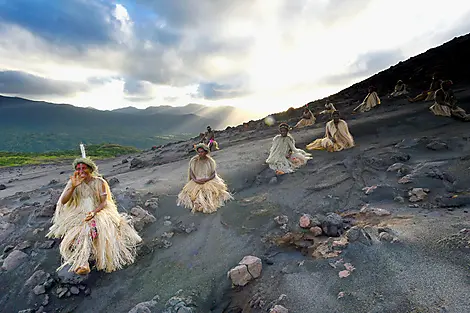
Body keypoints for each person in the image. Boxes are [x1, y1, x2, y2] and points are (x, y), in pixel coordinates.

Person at [47, 157, 142, 275]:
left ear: (90, 169)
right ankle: (82, 261)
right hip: (79, 212)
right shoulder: (73, 182)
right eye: (78, 168)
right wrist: (73, 187)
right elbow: (64, 201)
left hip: (99, 211)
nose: (81, 171)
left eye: (84, 168)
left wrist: (94, 212)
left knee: (90, 229)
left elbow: (104, 202)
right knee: (76, 232)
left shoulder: (100, 182)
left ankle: (83, 262)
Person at [177, 143, 233, 213]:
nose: (200, 154)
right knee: (193, 195)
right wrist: (195, 180)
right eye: (199, 152)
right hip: (197, 180)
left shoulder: (210, 161)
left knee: (211, 194)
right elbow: (191, 172)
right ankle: (198, 205)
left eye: (202, 152)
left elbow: (213, 173)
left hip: (208, 180)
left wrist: (207, 179)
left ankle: (207, 205)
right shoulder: (194, 161)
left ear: (206, 152)